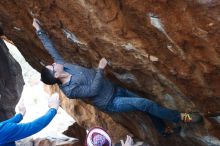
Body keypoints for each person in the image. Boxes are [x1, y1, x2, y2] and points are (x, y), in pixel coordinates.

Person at [32, 18, 202, 136]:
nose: (54, 63)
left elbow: (51, 48)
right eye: (52, 66)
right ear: (56, 74)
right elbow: (92, 89)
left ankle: (164, 131)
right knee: (144, 103)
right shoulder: (70, 90)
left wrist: (38, 30)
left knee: (147, 106)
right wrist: (100, 69)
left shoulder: (63, 65)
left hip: (115, 89)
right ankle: (180, 117)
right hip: (112, 103)